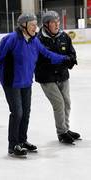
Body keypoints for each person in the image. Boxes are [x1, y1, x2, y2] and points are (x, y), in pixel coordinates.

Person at [0, 13, 72, 157]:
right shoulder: (11, 39)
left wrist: (64, 59)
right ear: (23, 26)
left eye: (36, 25)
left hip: (26, 82)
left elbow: (47, 54)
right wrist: (7, 65)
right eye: (32, 25)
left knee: (26, 112)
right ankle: (13, 145)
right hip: (12, 83)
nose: (36, 28)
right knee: (17, 113)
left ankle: (22, 141)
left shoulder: (34, 41)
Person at [35, 10, 80, 144]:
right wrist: (61, 60)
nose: (57, 24)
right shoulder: (38, 40)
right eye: (53, 22)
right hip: (47, 77)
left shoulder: (64, 36)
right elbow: (40, 60)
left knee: (67, 103)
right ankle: (61, 132)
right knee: (59, 103)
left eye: (58, 21)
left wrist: (71, 60)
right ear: (46, 24)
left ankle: (65, 128)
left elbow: (72, 53)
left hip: (63, 75)